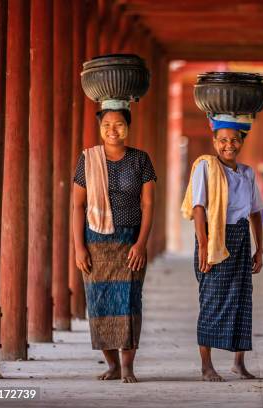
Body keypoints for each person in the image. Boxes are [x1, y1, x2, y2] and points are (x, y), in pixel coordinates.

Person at [73, 99, 157, 383]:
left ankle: (129, 365)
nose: (113, 130)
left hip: (130, 240)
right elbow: (77, 207)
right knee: (99, 304)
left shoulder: (140, 159)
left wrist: (141, 243)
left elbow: (148, 205)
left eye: (119, 124)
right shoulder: (87, 159)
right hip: (95, 240)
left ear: (128, 127)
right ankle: (112, 365)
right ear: (100, 128)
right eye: (107, 125)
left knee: (129, 302)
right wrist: (78, 247)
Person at [181, 113, 263, 382]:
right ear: (214, 141)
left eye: (234, 140)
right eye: (223, 140)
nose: (229, 145)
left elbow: (255, 212)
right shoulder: (205, 167)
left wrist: (260, 248)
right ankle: (206, 365)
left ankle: (238, 363)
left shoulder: (248, 173)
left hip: (241, 236)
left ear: (242, 141)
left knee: (242, 298)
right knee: (212, 298)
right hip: (214, 236)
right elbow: (197, 207)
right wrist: (203, 246)